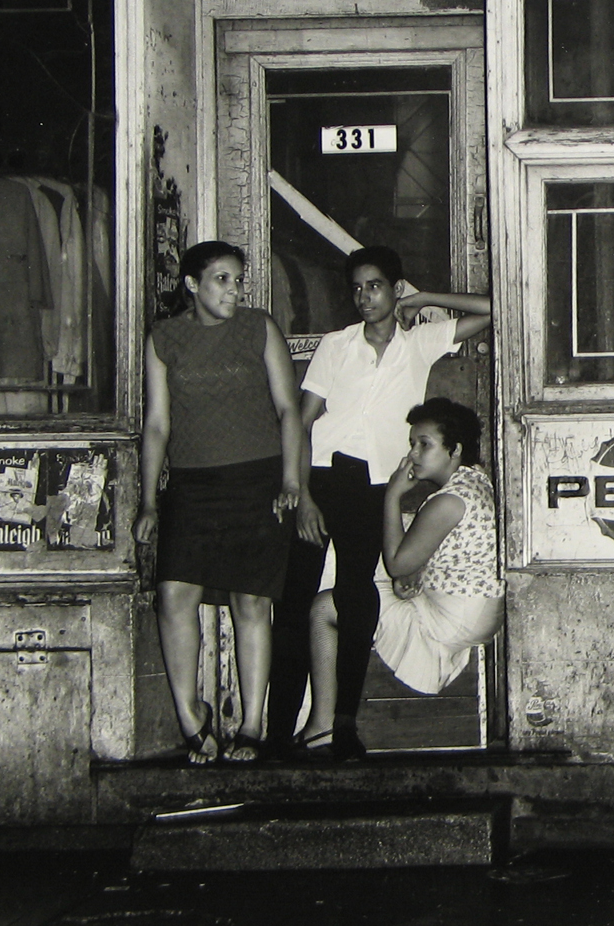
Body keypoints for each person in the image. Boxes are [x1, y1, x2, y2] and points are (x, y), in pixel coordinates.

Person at [266, 246, 491, 760]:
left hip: (372, 488)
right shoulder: (336, 345)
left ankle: (342, 725)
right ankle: (277, 734)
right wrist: (301, 494)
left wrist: (425, 298)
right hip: (322, 479)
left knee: (357, 598)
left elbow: (494, 309)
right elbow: (302, 421)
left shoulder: (420, 343)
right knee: (295, 603)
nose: (365, 297)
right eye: (357, 288)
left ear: (394, 289)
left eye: (375, 286)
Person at [134, 241, 306, 764]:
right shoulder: (164, 338)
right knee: (173, 596)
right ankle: (191, 716)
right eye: (222, 279)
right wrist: (148, 501)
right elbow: (157, 424)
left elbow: (289, 409)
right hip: (192, 485)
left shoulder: (259, 328)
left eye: (239, 280)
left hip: (258, 481)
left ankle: (251, 726)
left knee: (251, 603)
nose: (235, 290)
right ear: (192, 284)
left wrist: (291, 481)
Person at [307, 398, 501, 709]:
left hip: (453, 618)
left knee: (324, 608)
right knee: (363, 580)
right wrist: (414, 573)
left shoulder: (449, 501)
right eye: (412, 444)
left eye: (424, 444)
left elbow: (396, 565)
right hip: (471, 608)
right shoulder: (475, 480)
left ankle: (322, 724)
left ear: (455, 449)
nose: (412, 454)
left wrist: (392, 495)